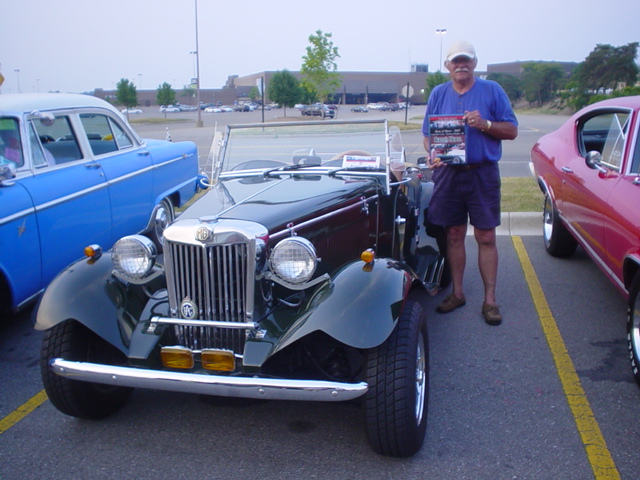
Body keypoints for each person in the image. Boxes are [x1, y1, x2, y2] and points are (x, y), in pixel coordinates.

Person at [422, 40, 518, 326]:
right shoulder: (439, 93)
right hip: (448, 174)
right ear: (448, 66)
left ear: (474, 64)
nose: (461, 65)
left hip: (482, 173)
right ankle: (459, 293)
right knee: (453, 234)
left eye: (466, 60)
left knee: (486, 237)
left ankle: (490, 300)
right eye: (456, 61)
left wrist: (485, 124)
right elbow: (428, 132)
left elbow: (511, 130)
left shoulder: (492, 90)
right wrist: (432, 152)